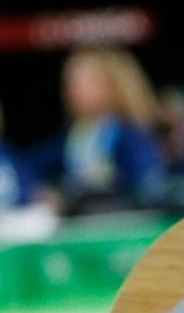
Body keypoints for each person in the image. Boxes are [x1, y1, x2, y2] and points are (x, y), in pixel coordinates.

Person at [28, 46, 168, 214]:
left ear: (111, 84)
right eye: (69, 82)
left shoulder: (129, 135)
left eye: (82, 82)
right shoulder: (73, 136)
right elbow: (30, 166)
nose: (72, 90)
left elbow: (148, 186)